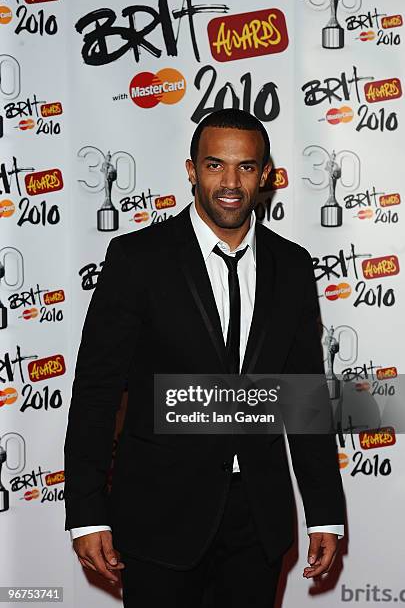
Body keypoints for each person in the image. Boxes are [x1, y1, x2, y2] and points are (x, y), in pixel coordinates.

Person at [64, 108, 346, 607]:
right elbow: (96, 391)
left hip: (257, 522)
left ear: (265, 175)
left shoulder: (293, 267)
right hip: (156, 518)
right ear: (192, 170)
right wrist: (87, 512)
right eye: (215, 165)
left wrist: (324, 511)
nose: (230, 182)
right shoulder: (137, 259)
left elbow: (302, 397)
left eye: (245, 167)